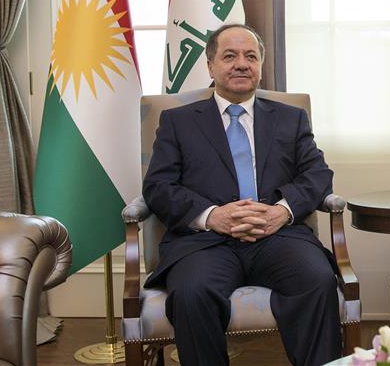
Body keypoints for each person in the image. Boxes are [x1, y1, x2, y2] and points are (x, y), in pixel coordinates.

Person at [142, 24, 340, 366]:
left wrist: (281, 211)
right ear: (211, 66)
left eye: (251, 56)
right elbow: (158, 186)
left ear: (260, 66)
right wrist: (212, 216)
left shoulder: (290, 119)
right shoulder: (177, 122)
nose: (241, 64)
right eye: (229, 56)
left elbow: (318, 174)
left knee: (317, 280)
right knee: (192, 293)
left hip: (278, 237)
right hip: (204, 242)